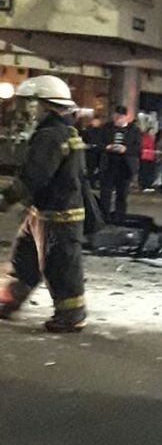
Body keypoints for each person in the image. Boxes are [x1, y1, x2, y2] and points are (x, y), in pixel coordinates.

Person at [0, 75, 87, 332]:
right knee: (25, 259)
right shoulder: (63, 131)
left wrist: (6, 199)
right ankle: (10, 300)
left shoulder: (50, 135)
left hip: (59, 215)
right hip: (43, 212)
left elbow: (34, 176)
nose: (29, 109)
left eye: (32, 103)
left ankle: (72, 315)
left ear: (45, 104)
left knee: (61, 266)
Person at [99, 105, 140, 222]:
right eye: (116, 116)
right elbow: (99, 142)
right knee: (105, 193)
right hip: (109, 164)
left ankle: (119, 217)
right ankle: (104, 217)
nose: (117, 119)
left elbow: (137, 148)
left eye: (120, 116)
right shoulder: (106, 128)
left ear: (126, 117)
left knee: (122, 194)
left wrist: (125, 149)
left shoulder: (134, 130)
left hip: (124, 166)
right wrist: (107, 147)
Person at [82, 116, 103, 188]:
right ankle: (90, 183)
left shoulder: (101, 130)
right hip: (90, 153)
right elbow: (84, 141)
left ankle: (93, 182)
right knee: (90, 169)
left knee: (98, 169)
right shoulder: (87, 130)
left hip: (98, 152)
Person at [138, 120, 157, 191]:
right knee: (144, 172)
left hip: (151, 157)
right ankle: (144, 185)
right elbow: (144, 145)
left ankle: (148, 185)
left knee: (149, 172)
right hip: (145, 157)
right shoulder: (145, 137)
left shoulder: (152, 138)